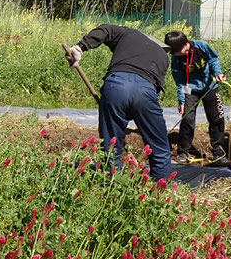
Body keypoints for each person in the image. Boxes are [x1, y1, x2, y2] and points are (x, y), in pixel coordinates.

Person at [67, 25, 172, 180]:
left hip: (116, 86)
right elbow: (150, 92)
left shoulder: (129, 34)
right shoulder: (163, 56)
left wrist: (80, 47)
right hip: (145, 90)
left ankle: (110, 184)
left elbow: (105, 30)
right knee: (160, 148)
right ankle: (160, 191)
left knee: (111, 145)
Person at [163, 31, 227, 163]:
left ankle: (219, 152)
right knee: (187, 119)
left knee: (217, 118)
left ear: (183, 46)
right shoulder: (176, 59)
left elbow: (213, 59)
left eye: (174, 51)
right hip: (190, 90)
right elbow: (180, 82)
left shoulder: (201, 46)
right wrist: (182, 101)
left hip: (210, 86)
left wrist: (218, 73)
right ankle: (183, 152)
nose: (173, 55)